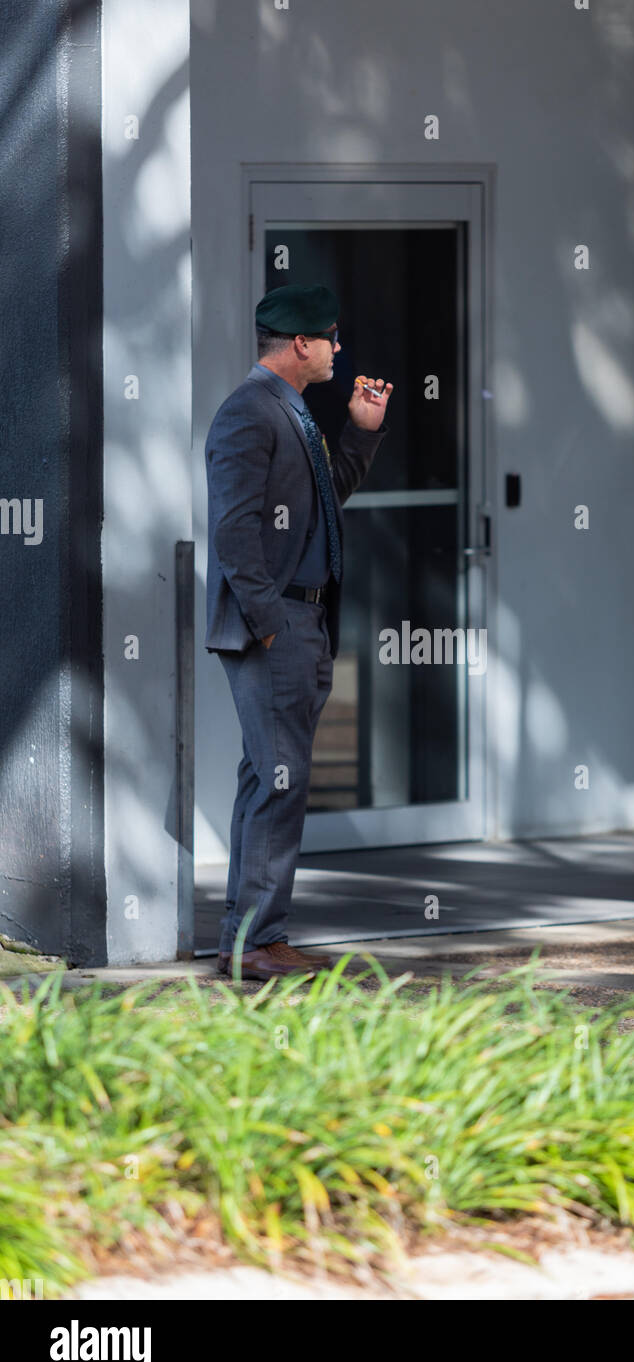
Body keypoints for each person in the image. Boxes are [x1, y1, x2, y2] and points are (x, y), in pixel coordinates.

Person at [204, 283, 393, 980]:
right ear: (301, 344)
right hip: (276, 624)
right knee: (278, 781)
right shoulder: (250, 415)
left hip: (302, 618)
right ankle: (254, 941)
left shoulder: (296, 414)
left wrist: (361, 432)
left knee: (269, 778)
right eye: (331, 338)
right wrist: (269, 623)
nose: (339, 349)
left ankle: (252, 935)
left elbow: (325, 505)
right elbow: (232, 529)